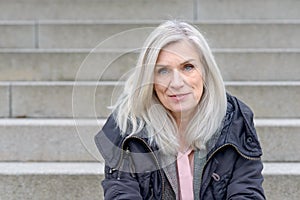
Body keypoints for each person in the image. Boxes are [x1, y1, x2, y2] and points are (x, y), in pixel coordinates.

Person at [95, 20, 265, 199]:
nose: (176, 83)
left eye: (188, 67)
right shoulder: (126, 125)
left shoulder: (235, 120)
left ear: (206, 71)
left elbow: (247, 192)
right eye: (163, 71)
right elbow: (121, 193)